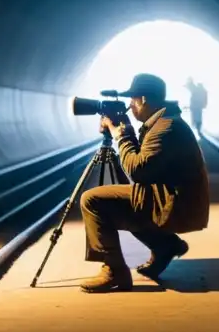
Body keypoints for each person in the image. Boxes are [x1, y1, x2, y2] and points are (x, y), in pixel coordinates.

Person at [79, 73, 210, 293]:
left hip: (175, 206)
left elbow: (138, 171)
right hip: (172, 200)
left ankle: (114, 271)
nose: (130, 105)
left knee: (92, 200)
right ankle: (165, 245)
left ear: (143, 100)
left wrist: (120, 135)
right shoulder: (164, 121)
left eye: (132, 100)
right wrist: (126, 131)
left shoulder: (166, 127)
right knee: (127, 200)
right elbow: (145, 166)